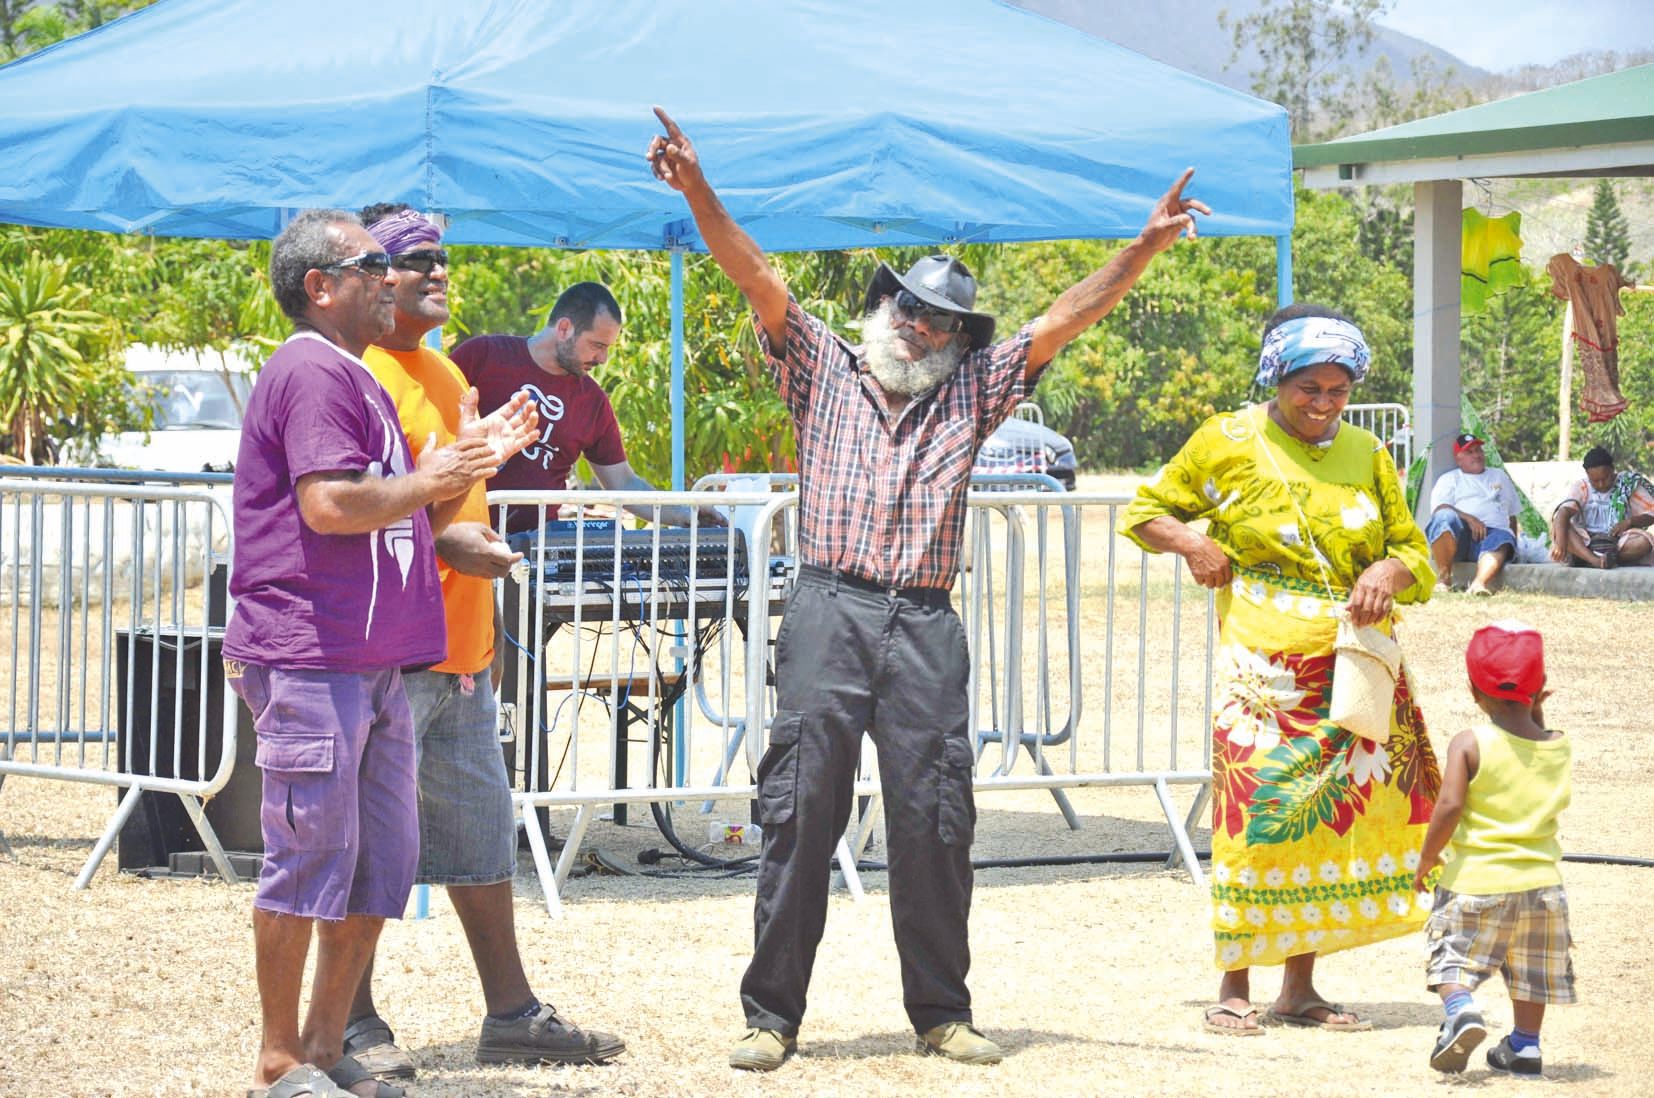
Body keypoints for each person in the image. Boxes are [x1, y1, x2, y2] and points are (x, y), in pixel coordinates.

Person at [646, 105, 1209, 1070]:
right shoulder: (820, 364)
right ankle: (771, 1018)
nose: (919, 327)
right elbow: (757, 275)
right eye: (908, 309)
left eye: (940, 319)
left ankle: (942, 1012)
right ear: (884, 309)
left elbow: (1068, 314)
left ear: (958, 335)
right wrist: (699, 191)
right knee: (799, 808)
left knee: (937, 815)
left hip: (925, 621)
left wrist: (1142, 250)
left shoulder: (974, 388)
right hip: (828, 606)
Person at [337, 204, 625, 1080]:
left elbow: (448, 487)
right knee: (370, 845)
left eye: (442, 259)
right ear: (369, 278)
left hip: (462, 653)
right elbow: (352, 508)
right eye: (414, 260)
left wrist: (487, 453)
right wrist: (448, 542)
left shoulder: (438, 370)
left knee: (481, 841)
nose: (437, 273)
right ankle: (351, 1025)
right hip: (393, 654)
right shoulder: (359, 374)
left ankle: (511, 1013)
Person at [225, 208, 503, 1098]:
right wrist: (448, 476)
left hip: (374, 660)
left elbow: (388, 513)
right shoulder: (310, 369)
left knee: (378, 865)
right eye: (374, 263)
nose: (393, 278)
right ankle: (280, 1061)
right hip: (311, 654)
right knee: (308, 856)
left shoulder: (358, 376)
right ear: (321, 287)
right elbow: (332, 507)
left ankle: (322, 1048)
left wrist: (455, 507)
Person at [1123, 304, 1441, 1037]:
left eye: (1339, 389)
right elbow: (1146, 510)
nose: (1324, 404)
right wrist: (1193, 546)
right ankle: (1234, 983)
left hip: (1350, 669)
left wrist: (1390, 573)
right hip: (1260, 677)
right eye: (1309, 388)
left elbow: (1415, 553)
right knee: (1254, 820)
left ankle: (1299, 987)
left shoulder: (1367, 453)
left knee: (1322, 824)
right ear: (1277, 376)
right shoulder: (1226, 440)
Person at [1413, 621, 1574, 1076]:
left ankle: (1461, 1010)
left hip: (1474, 882)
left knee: (1450, 957)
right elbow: (1533, 744)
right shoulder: (1559, 747)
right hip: (1543, 888)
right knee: (1531, 973)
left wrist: (1427, 858)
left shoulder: (1469, 744)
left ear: (1472, 690)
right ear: (1540, 687)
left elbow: (1449, 806)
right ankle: (1524, 1046)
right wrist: (1536, 711)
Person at [450, 281, 720, 535]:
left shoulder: (593, 402)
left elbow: (623, 483)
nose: (602, 358)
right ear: (565, 328)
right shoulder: (483, 355)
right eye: (597, 345)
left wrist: (686, 514)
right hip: (458, 538)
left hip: (536, 554)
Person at [1426, 433, 1520, 596]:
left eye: (1478, 450)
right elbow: (1440, 508)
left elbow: (1512, 515)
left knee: (1503, 537)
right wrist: (1469, 519)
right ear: (1458, 459)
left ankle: (1478, 584)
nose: (1476, 455)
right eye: (1469, 452)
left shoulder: (1499, 475)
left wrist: (1514, 541)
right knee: (1444, 518)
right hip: (1461, 537)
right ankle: (1444, 579)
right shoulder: (1450, 479)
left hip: (1492, 535)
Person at [1548, 445, 1654, 569]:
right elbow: (1563, 513)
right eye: (1595, 481)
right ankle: (1596, 561)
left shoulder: (1626, 485)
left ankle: (1589, 559)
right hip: (1584, 542)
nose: (1601, 484)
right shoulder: (1582, 487)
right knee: (1562, 527)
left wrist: (1629, 522)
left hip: (1616, 543)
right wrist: (1560, 544)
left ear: (1612, 469)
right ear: (1587, 474)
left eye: (1605, 478)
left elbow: (1652, 514)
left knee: (1643, 543)